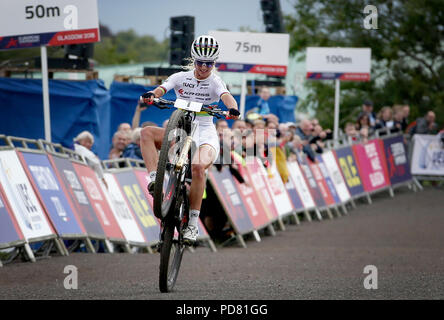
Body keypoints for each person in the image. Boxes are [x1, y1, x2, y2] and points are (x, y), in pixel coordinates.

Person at [140, 35, 240, 244]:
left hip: (204, 132)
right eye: (200, 62)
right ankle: (153, 180)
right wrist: (152, 94)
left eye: (209, 63)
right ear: (194, 60)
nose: (204, 67)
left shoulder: (215, 81)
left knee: (197, 168)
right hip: (180, 129)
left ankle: (193, 225)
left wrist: (233, 108)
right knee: (146, 133)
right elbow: (162, 88)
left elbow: (226, 96)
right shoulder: (180, 77)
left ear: (214, 63)